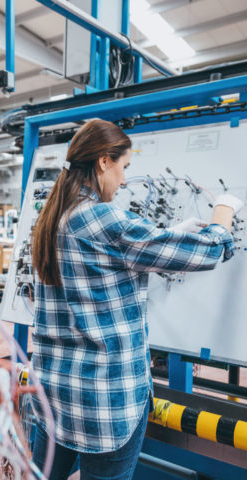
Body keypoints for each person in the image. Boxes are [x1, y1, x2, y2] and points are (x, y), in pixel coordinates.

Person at [30, 118, 242, 480]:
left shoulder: (52, 219)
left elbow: (107, 260)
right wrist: (223, 212)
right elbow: (208, 251)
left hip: (54, 393)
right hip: (105, 404)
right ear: (103, 162)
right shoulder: (104, 218)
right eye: (123, 167)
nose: (125, 180)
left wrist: (165, 236)